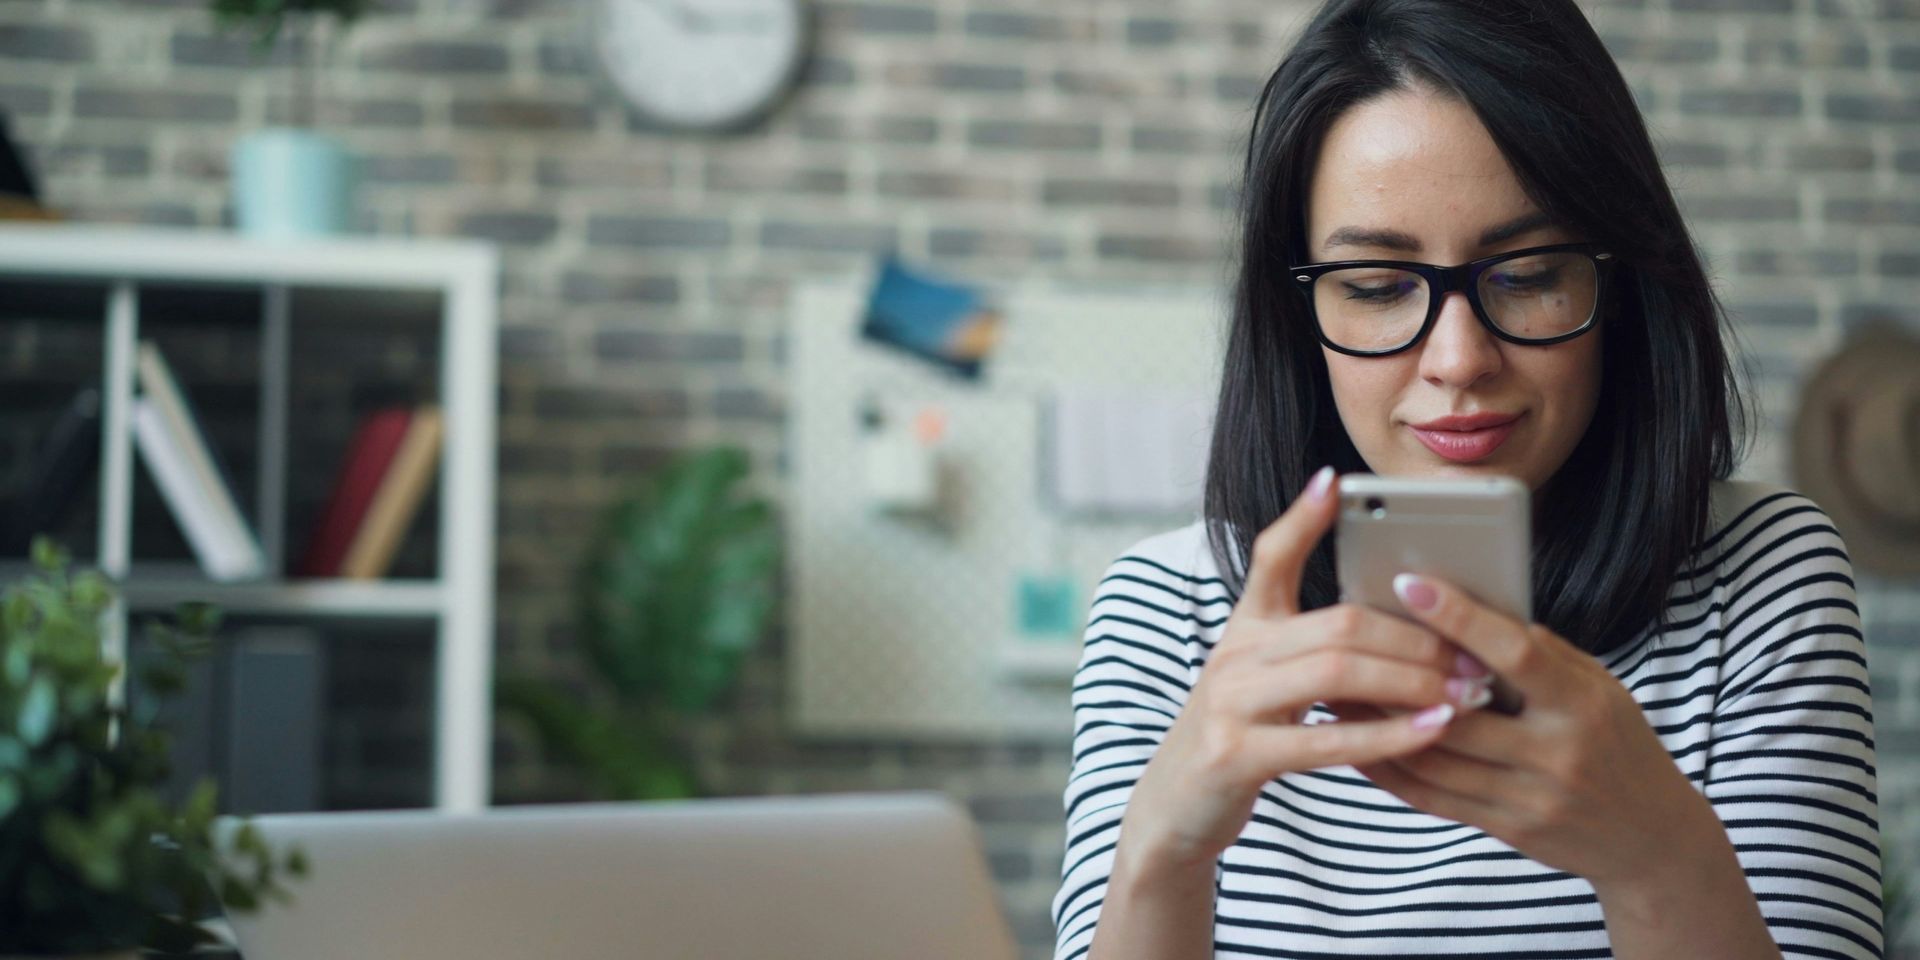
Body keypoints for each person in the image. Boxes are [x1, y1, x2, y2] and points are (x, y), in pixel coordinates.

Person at [1049, 1, 1883, 958]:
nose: (1458, 359)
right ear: (1296, 316)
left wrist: (1659, 856)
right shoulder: (1165, 609)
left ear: (1624, 290)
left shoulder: (1762, 578)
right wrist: (1163, 856)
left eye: (1527, 275)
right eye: (1373, 286)